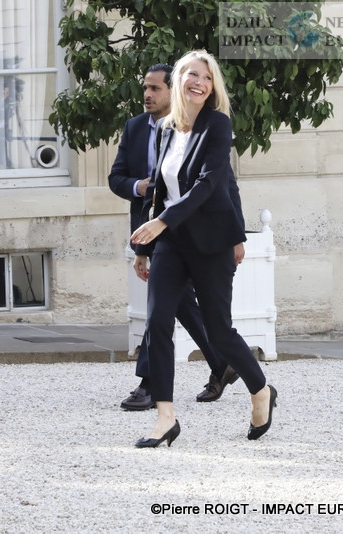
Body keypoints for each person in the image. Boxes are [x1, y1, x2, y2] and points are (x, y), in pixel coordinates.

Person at [130, 50, 277, 447]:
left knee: (220, 332)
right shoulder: (164, 129)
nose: (199, 82)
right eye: (192, 74)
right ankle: (165, 417)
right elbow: (159, 190)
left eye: (207, 79)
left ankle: (261, 390)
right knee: (157, 321)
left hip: (211, 242)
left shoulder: (218, 125)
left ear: (212, 88)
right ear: (179, 79)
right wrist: (144, 244)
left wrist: (165, 221)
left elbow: (211, 184)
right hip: (172, 243)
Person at [108, 64, 241, 410]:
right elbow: (116, 177)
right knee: (166, 306)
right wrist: (141, 188)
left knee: (171, 305)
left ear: (173, 90)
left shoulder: (203, 126)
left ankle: (154, 383)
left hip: (200, 231)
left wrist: (236, 236)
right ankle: (212, 365)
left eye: (155, 88)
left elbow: (224, 184)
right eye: (145, 88)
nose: (148, 95)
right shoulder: (136, 127)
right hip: (156, 232)